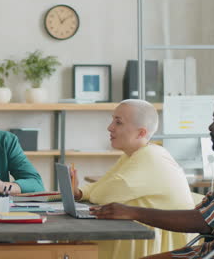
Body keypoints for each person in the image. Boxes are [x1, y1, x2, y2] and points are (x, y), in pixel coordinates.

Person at [89, 91, 214, 259]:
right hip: (212, 251)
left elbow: (204, 222)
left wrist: (133, 212)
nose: (210, 127)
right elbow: (204, 211)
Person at [70, 99, 197, 259]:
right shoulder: (133, 155)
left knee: (74, 246)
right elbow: (102, 185)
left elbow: (103, 195)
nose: (110, 127)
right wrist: (79, 192)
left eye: (118, 122)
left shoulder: (150, 157)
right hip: (145, 236)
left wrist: (89, 192)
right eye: (112, 120)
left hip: (161, 245)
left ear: (141, 133)